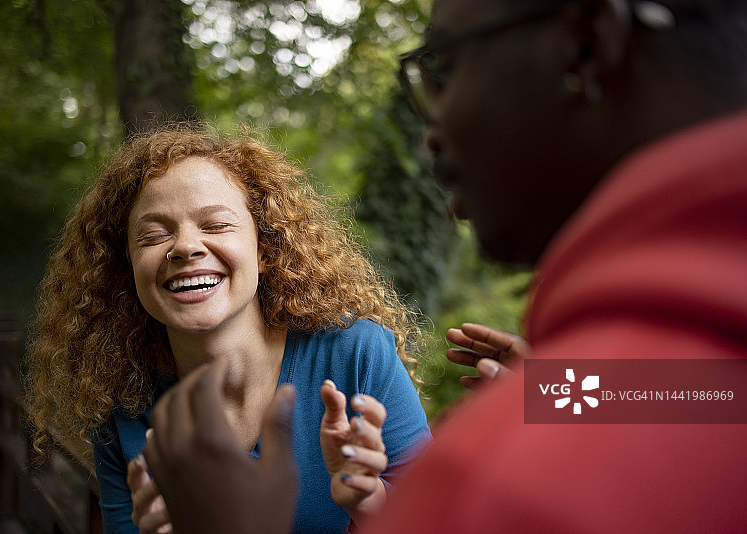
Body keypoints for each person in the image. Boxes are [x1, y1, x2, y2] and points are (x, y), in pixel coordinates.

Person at [139, 0, 747, 532]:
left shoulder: (491, 493)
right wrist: (585, 394)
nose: (431, 128)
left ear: (586, 44)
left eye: (445, 69)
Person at [24, 125, 431, 533]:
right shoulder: (122, 410)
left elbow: (439, 519)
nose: (185, 246)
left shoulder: (356, 353)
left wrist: (371, 503)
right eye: (153, 234)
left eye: (216, 225)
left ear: (265, 248)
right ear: (125, 269)